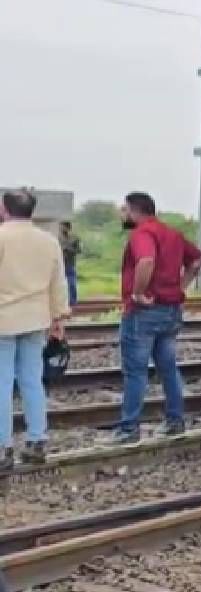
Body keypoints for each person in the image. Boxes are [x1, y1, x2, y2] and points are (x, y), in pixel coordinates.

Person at [114, 192, 201, 444]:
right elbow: (196, 260)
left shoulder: (142, 234)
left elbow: (146, 260)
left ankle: (128, 430)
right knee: (168, 368)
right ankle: (175, 421)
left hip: (145, 312)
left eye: (124, 209)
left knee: (135, 372)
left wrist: (138, 293)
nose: (122, 214)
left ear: (134, 211)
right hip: (171, 311)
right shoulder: (172, 233)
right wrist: (180, 286)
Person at [0, 190, 70, 468]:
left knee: (2, 384)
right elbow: (58, 282)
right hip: (36, 320)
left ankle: (3, 447)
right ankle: (36, 440)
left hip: (4, 320)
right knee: (32, 380)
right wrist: (58, 318)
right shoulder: (48, 241)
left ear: (4, 209)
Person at [58, 221, 81, 307]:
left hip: (70, 264)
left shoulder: (74, 239)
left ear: (68, 228)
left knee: (72, 284)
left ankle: (72, 302)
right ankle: (62, 302)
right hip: (60, 264)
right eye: (60, 227)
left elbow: (78, 250)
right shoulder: (58, 238)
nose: (61, 229)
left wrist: (68, 249)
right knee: (60, 285)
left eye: (62, 227)